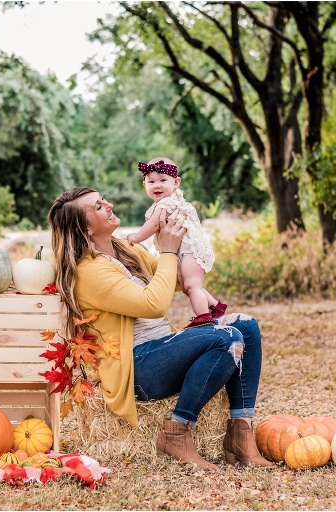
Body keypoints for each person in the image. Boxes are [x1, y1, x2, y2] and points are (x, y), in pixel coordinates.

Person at [47, 186, 274, 470]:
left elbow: (175, 281)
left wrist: (186, 240)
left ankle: (240, 434)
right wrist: (167, 250)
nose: (109, 204)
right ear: (85, 230)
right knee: (227, 338)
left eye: (104, 200)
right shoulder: (88, 272)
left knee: (245, 325)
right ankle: (176, 432)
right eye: (98, 207)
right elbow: (153, 303)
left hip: (164, 348)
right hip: (140, 366)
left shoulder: (126, 250)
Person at [126, 157, 226, 329]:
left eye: (163, 180)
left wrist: (136, 237)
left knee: (192, 286)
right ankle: (216, 307)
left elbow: (153, 224)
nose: (157, 185)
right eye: (151, 182)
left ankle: (204, 316)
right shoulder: (170, 201)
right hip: (187, 251)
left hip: (190, 251)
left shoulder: (167, 202)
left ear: (176, 182)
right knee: (189, 288)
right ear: (144, 185)